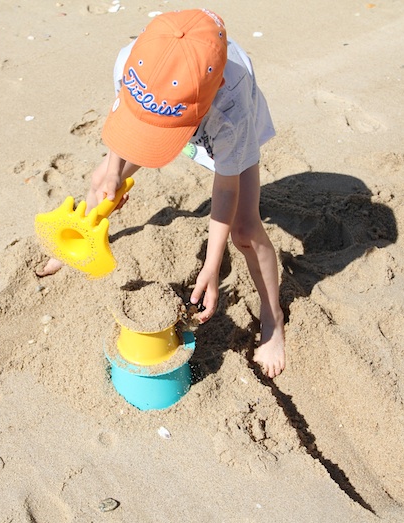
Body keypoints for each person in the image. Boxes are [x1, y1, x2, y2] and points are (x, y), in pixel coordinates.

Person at [37, 9, 285, 378]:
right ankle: (78, 239)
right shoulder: (133, 64)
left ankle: (273, 317)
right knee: (103, 176)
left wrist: (212, 266)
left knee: (245, 231)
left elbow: (225, 188)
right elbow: (124, 117)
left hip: (216, 128)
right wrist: (113, 170)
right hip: (167, 119)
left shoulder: (231, 109)